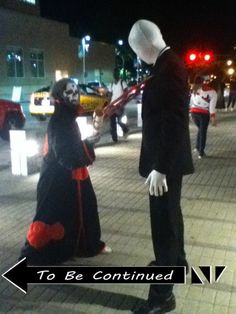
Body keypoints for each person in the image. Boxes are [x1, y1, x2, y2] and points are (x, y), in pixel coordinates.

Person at [128, 20, 194, 314]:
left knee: (163, 227)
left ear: (145, 47)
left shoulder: (169, 70)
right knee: (171, 216)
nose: (139, 57)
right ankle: (177, 261)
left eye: (137, 51)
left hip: (164, 164)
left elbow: (174, 121)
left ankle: (162, 295)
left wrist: (161, 167)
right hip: (165, 161)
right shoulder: (168, 65)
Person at [19, 78, 111, 265]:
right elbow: (64, 154)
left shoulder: (67, 117)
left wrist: (86, 144)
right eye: (69, 91)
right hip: (57, 180)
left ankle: (87, 244)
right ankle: (48, 252)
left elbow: (71, 147)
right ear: (60, 96)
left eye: (76, 90)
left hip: (73, 176)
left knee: (85, 208)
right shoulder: (60, 120)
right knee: (55, 214)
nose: (74, 94)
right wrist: (86, 147)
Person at [190, 76, 217, 159]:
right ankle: (201, 152)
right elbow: (212, 106)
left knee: (200, 130)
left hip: (194, 113)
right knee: (203, 132)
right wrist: (213, 117)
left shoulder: (194, 89)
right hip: (203, 114)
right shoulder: (212, 92)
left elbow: (191, 101)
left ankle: (197, 147)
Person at [109, 68, 129, 142]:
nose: (114, 75)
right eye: (113, 73)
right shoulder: (111, 84)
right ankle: (115, 139)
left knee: (120, 121)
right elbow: (110, 95)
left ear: (118, 74)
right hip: (112, 105)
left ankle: (125, 129)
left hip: (119, 105)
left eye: (116, 73)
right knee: (112, 122)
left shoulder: (122, 82)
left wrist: (123, 102)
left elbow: (126, 93)